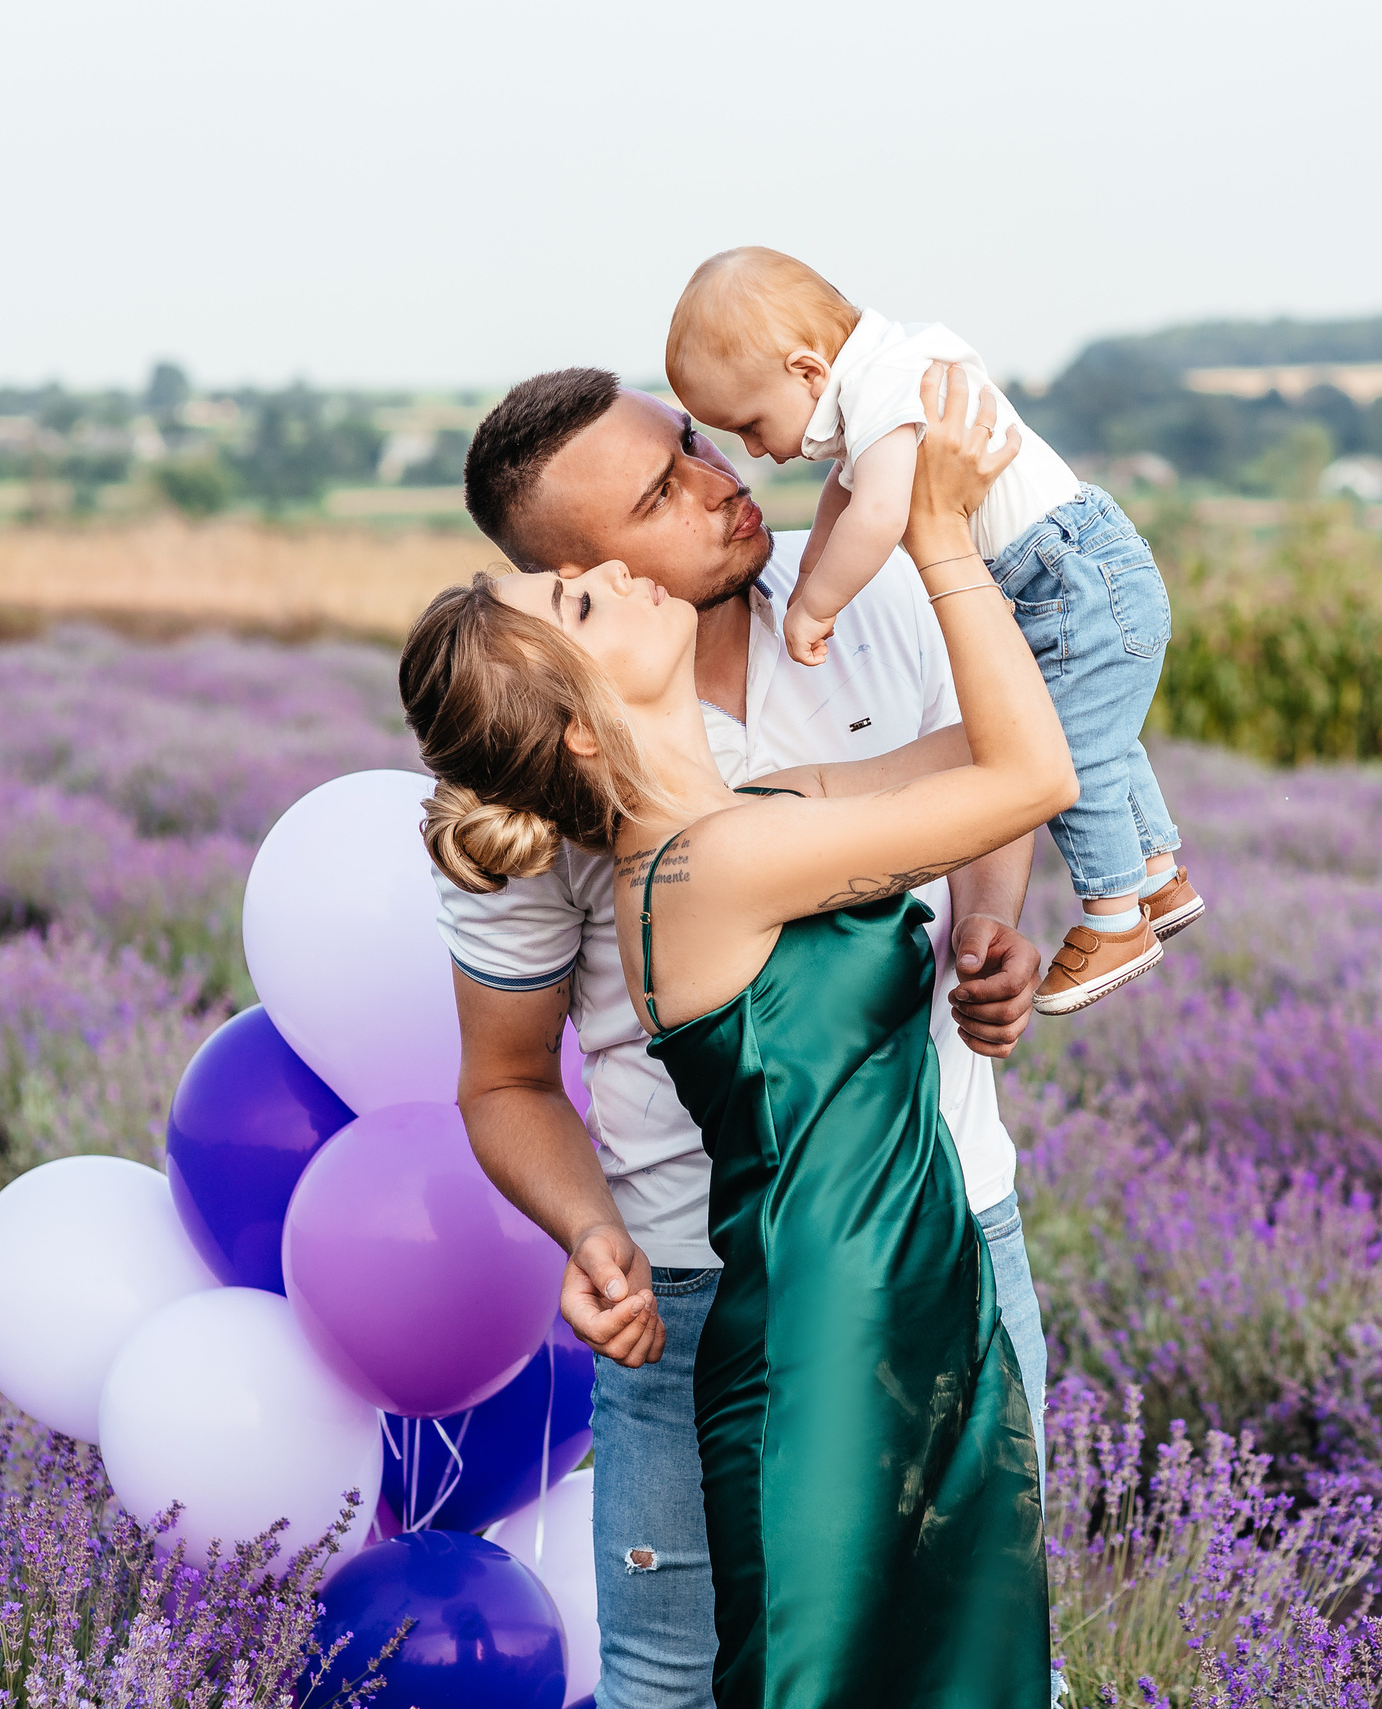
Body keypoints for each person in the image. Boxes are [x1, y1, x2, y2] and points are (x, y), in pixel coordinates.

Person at [404, 372, 1063, 1707]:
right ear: (583, 595)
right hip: (734, 1292)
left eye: (696, 447)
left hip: (940, 1236)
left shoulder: (793, 723)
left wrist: (993, 919)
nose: (719, 481)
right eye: (659, 495)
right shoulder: (672, 831)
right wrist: (592, 1232)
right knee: (699, 1673)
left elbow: (987, 781)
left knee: (957, 1655)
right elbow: (508, 1076)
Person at [665, 246, 1208, 1016]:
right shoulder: (889, 370)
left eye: (752, 424)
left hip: (1067, 577)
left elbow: (884, 513)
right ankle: (1158, 871)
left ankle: (1116, 918)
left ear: (808, 371)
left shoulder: (888, 387)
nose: (756, 451)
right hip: (1084, 569)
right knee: (1104, 734)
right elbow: (841, 502)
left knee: (1070, 747)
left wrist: (814, 604)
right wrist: (816, 564)